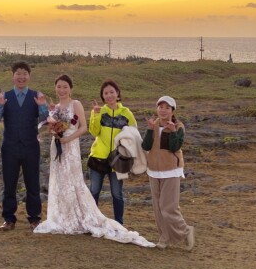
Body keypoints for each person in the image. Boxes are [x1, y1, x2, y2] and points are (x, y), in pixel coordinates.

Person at [34, 75, 154, 247]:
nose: (62, 90)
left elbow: (85, 128)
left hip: (99, 153)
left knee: (104, 190)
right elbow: (92, 129)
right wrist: (54, 129)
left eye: (65, 87)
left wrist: (68, 139)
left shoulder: (82, 105)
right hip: (66, 148)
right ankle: (64, 216)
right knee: (67, 183)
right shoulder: (58, 107)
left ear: (71, 88)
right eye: (59, 87)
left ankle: (107, 220)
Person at [0, 61, 49, 231]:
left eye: (25, 73)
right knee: (9, 184)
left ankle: (35, 218)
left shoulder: (36, 96)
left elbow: (45, 120)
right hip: (10, 147)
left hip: (31, 146)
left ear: (29, 76)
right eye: (18, 73)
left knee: (33, 184)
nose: (21, 77)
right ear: (13, 76)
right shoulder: (5, 96)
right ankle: (9, 219)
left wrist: (42, 105)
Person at [142, 95, 195, 251]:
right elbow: (145, 146)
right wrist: (150, 129)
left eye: (167, 108)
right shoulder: (154, 124)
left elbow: (174, 147)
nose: (163, 110)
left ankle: (186, 231)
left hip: (171, 170)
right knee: (158, 208)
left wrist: (172, 132)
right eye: (160, 107)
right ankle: (164, 237)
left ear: (172, 111)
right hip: (153, 170)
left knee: (169, 207)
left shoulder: (178, 127)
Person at [87, 79, 136, 225]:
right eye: (106, 93)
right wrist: (95, 115)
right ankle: (92, 222)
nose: (109, 95)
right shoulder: (99, 111)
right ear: (102, 96)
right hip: (98, 158)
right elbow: (94, 132)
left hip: (118, 160)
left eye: (111, 92)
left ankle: (119, 224)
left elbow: (134, 134)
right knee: (94, 192)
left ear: (117, 93)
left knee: (117, 194)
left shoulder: (126, 113)